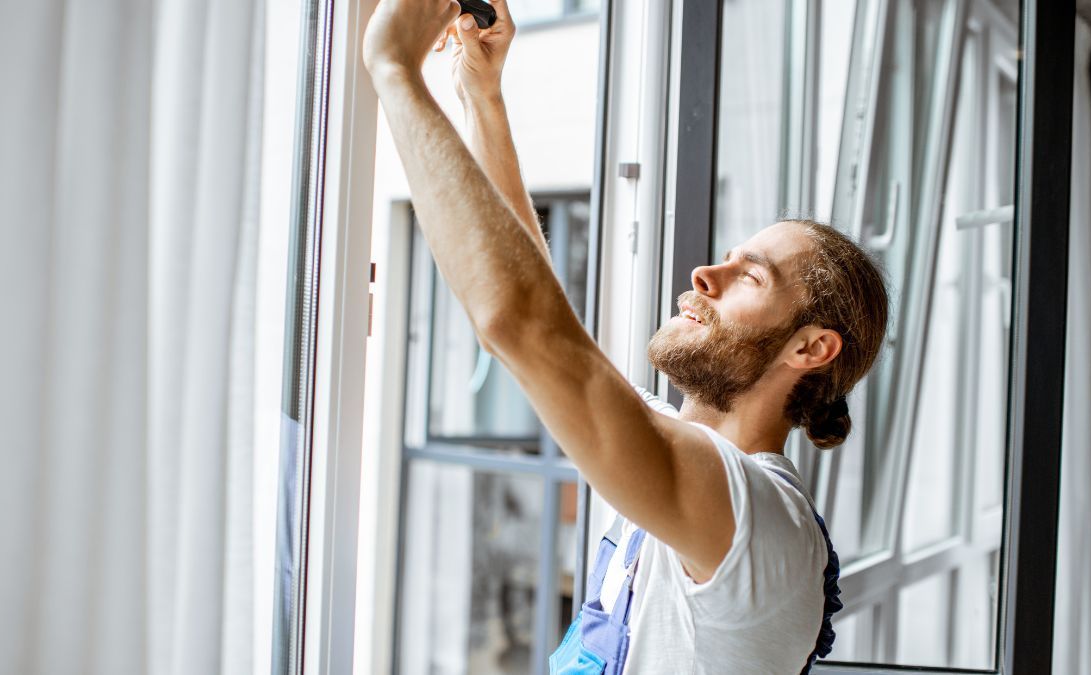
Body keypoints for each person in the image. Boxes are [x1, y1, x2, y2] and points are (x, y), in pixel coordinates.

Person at [362, 1, 889, 672]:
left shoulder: (758, 521)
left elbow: (525, 326)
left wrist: (393, 68)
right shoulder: (676, 459)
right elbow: (541, 319)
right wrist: (481, 95)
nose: (705, 274)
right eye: (725, 259)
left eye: (749, 276)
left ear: (809, 348)